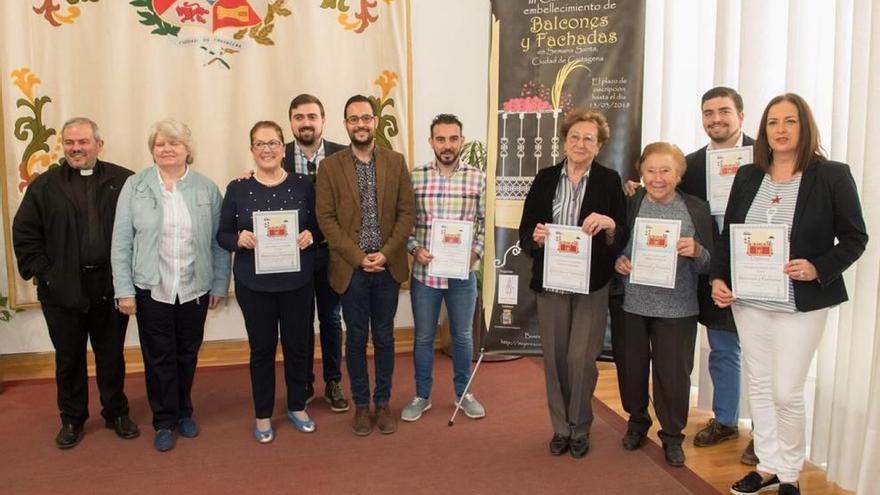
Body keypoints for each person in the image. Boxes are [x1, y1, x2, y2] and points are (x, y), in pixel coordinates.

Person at [711, 94, 867, 495]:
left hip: (801, 303)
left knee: (785, 389)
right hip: (750, 302)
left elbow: (854, 238)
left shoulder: (831, 175)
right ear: (763, 130)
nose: (780, 130)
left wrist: (819, 266)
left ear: (804, 127)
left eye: (790, 121)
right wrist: (719, 280)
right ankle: (767, 466)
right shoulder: (748, 176)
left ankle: (791, 474)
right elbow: (730, 236)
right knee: (760, 386)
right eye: (773, 123)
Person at [624, 86, 758, 464]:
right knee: (723, 347)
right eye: (708, 112)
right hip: (709, 273)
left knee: (764, 354)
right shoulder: (695, 163)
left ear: (741, 115)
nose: (716, 119)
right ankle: (727, 420)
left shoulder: (763, 159)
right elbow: (656, 196)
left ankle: (763, 435)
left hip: (756, 261)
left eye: (724, 112)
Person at [12, 117, 139, 449]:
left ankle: (116, 412)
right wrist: (48, 274)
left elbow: (143, 228)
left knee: (111, 354)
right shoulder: (45, 185)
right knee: (68, 357)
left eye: (83, 142)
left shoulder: (123, 180)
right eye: (70, 142)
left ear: (99, 144)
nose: (76, 148)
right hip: (62, 288)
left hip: (109, 285)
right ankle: (72, 418)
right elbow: (24, 234)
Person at [111, 119, 231, 452]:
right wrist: (124, 289)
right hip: (152, 289)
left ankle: (184, 412)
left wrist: (220, 283)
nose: (166, 149)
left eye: (174, 143)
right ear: (152, 149)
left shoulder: (206, 188)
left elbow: (218, 242)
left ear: (187, 149)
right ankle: (164, 420)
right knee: (159, 357)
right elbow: (121, 241)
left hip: (195, 287)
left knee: (187, 354)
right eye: (160, 144)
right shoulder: (135, 186)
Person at [518, 108, 627, 458]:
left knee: (581, 358)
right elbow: (526, 231)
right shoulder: (545, 178)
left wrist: (609, 223)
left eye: (589, 139)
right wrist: (535, 236)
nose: (581, 144)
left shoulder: (609, 180)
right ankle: (560, 428)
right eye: (575, 137)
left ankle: (580, 427)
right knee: (555, 358)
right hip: (551, 283)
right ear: (564, 141)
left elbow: (621, 232)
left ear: (599, 146)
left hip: (591, 284)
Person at [316, 95, 415, 436]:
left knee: (385, 337)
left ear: (374, 122)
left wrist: (385, 253)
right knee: (356, 338)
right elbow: (326, 219)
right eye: (353, 119)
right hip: (351, 269)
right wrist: (359, 257)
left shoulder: (395, 161)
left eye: (365, 118)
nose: (360, 124)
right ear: (345, 125)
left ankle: (383, 403)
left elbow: (407, 213)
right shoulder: (329, 167)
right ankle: (361, 405)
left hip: (387, 267)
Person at [217, 121, 320, 443]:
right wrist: (239, 239)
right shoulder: (238, 188)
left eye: (273, 143)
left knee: (298, 347)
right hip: (254, 285)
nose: (267, 149)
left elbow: (321, 227)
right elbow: (221, 234)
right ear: (252, 149)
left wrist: (310, 235)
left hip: (297, 282)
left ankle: (296, 405)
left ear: (283, 148)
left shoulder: (304, 185)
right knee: (261, 350)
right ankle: (263, 414)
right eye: (260, 144)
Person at [612, 142, 713, 467]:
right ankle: (637, 423)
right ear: (641, 173)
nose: (657, 178)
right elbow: (614, 243)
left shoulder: (696, 208)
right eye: (651, 170)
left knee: (674, 376)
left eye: (665, 170)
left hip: (678, 309)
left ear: (679, 174)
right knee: (632, 370)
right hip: (633, 304)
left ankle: (672, 436)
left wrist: (697, 251)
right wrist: (619, 262)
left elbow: (709, 264)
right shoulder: (631, 202)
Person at [401, 114, 487, 422]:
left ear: (461, 141)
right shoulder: (416, 178)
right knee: (424, 336)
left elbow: (484, 225)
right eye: (441, 139)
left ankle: (464, 394)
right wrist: (414, 249)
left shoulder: (478, 178)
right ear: (431, 142)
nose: (447, 145)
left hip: (462, 273)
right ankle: (421, 395)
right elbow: (405, 224)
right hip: (426, 274)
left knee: (463, 335)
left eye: (453, 139)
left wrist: (474, 255)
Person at [282, 94, 349, 412]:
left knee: (331, 320)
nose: (305, 122)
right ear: (291, 122)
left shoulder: (343, 156)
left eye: (311, 116)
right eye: (298, 117)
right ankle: (304, 381)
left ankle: (333, 380)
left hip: (331, 253)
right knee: (299, 321)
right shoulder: (277, 156)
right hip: (292, 255)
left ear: (323, 120)